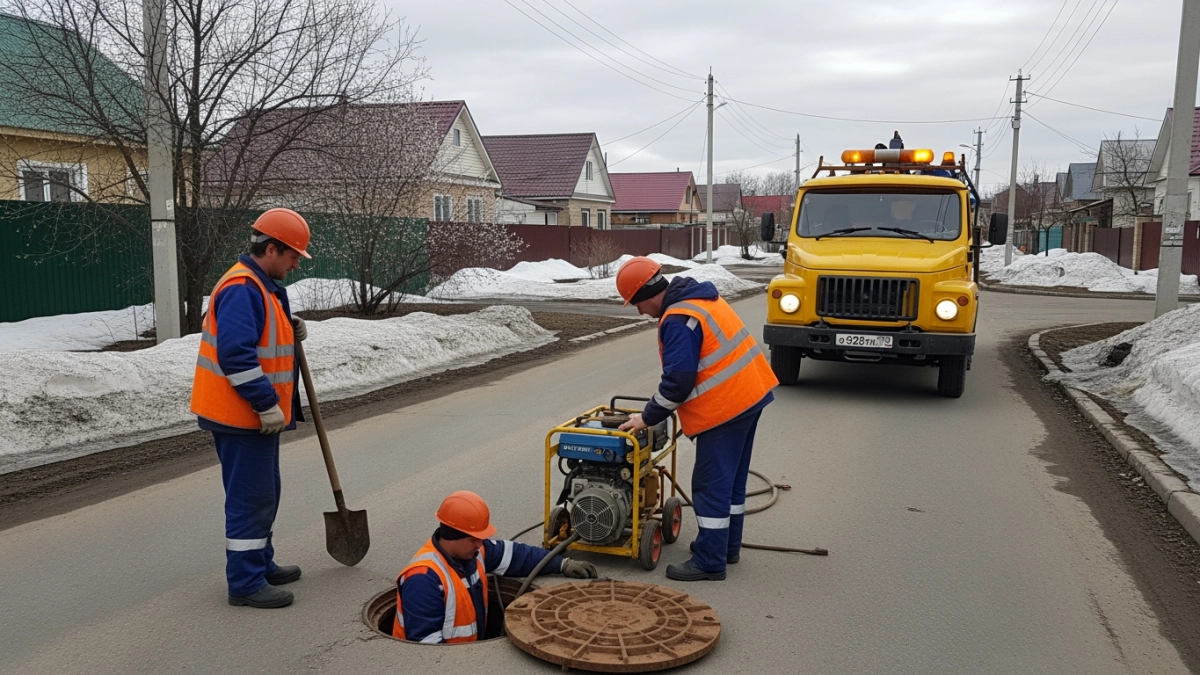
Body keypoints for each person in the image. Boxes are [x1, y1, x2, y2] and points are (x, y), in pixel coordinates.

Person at [614, 257, 777, 581]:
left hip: (726, 409)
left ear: (648, 292)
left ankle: (709, 561)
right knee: (731, 482)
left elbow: (678, 382)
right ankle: (724, 548)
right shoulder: (700, 300)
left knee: (710, 485)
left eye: (636, 303)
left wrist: (646, 418)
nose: (639, 311)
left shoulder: (678, 317)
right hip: (750, 395)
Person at [190, 208, 312, 609]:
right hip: (240, 415)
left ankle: (260, 563)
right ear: (272, 248)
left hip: (254, 417)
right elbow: (237, 356)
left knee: (265, 492)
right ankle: (244, 583)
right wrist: (266, 404)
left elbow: (262, 336)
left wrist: (287, 323)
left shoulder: (264, 284)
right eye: (293, 255)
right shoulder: (243, 287)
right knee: (250, 498)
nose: (296, 263)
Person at [394, 491, 599, 643]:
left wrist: (562, 564)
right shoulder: (424, 578)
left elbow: (518, 556)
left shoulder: (474, 551)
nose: (480, 544)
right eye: (474, 539)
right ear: (452, 537)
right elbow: (425, 647)